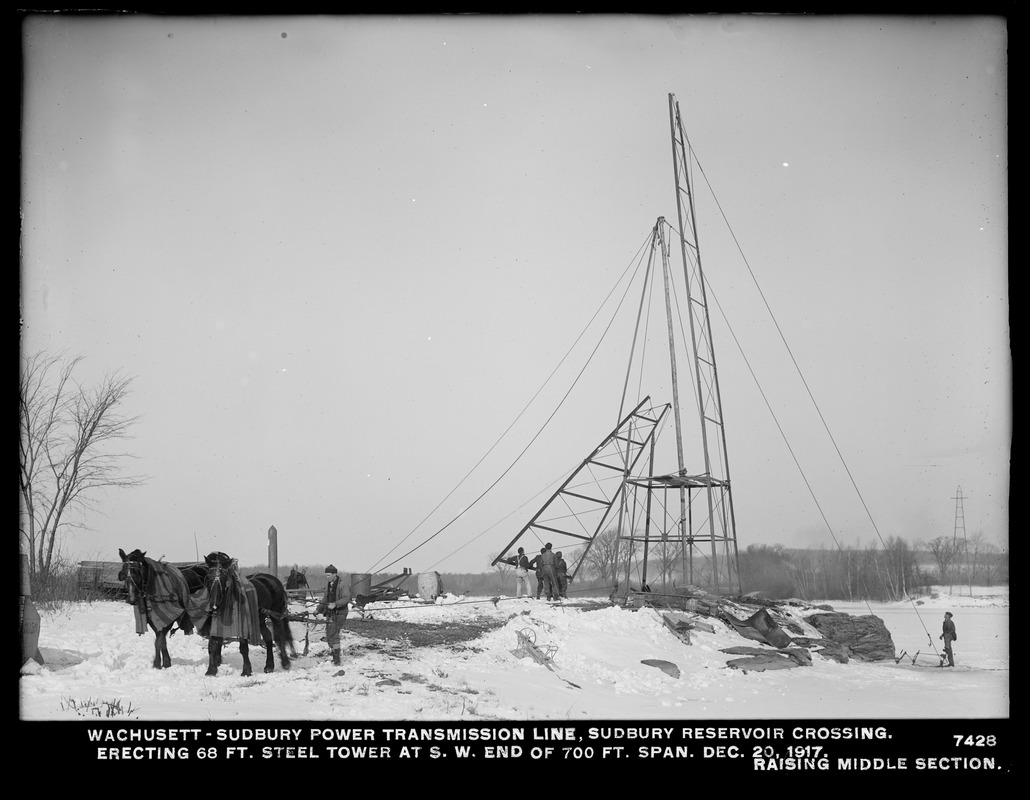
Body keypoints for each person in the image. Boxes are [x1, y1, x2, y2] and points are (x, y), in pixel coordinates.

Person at [316, 564, 349, 667]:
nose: (327, 577)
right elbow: (325, 599)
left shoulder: (342, 585)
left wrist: (335, 604)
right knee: (329, 634)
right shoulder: (328, 585)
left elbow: (346, 598)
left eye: (329, 575)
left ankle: (337, 660)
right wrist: (318, 609)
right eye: (326, 575)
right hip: (330, 613)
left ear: (335, 574)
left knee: (334, 635)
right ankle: (335, 654)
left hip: (340, 613)